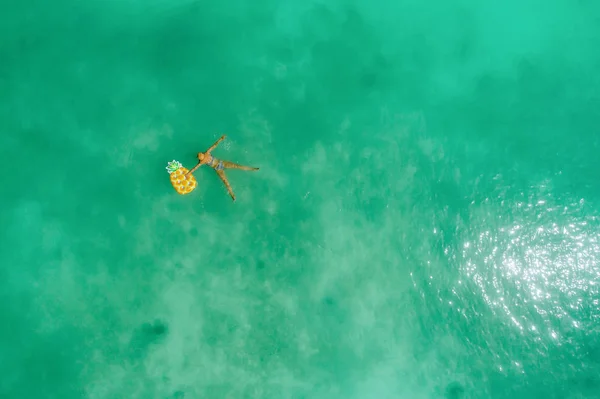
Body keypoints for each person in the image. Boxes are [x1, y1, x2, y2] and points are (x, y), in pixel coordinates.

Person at [186, 135, 259, 201]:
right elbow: (195, 168)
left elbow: (214, 146)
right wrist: (188, 173)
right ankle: (232, 194)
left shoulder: (206, 153)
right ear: (201, 158)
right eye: (202, 158)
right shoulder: (203, 160)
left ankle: (252, 169)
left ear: (202, 154)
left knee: (237, 166)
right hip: (218, 168)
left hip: (221, 163)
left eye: (202, 156)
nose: (204, 158)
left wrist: (221, 139)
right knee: (226, 181)